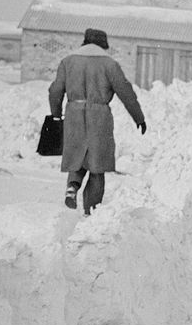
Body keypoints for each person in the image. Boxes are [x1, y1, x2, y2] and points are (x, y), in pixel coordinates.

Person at [48, 28, 146, 215]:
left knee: (77, 157)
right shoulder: (109, 64)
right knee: (96, 165)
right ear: (103, 45)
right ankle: (91, 210)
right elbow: (126, 93)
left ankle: (72, 187)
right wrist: (138, 118)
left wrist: (56, 115)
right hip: (99, 116)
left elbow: (55, 91)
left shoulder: (68, 62)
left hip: (74, 114)